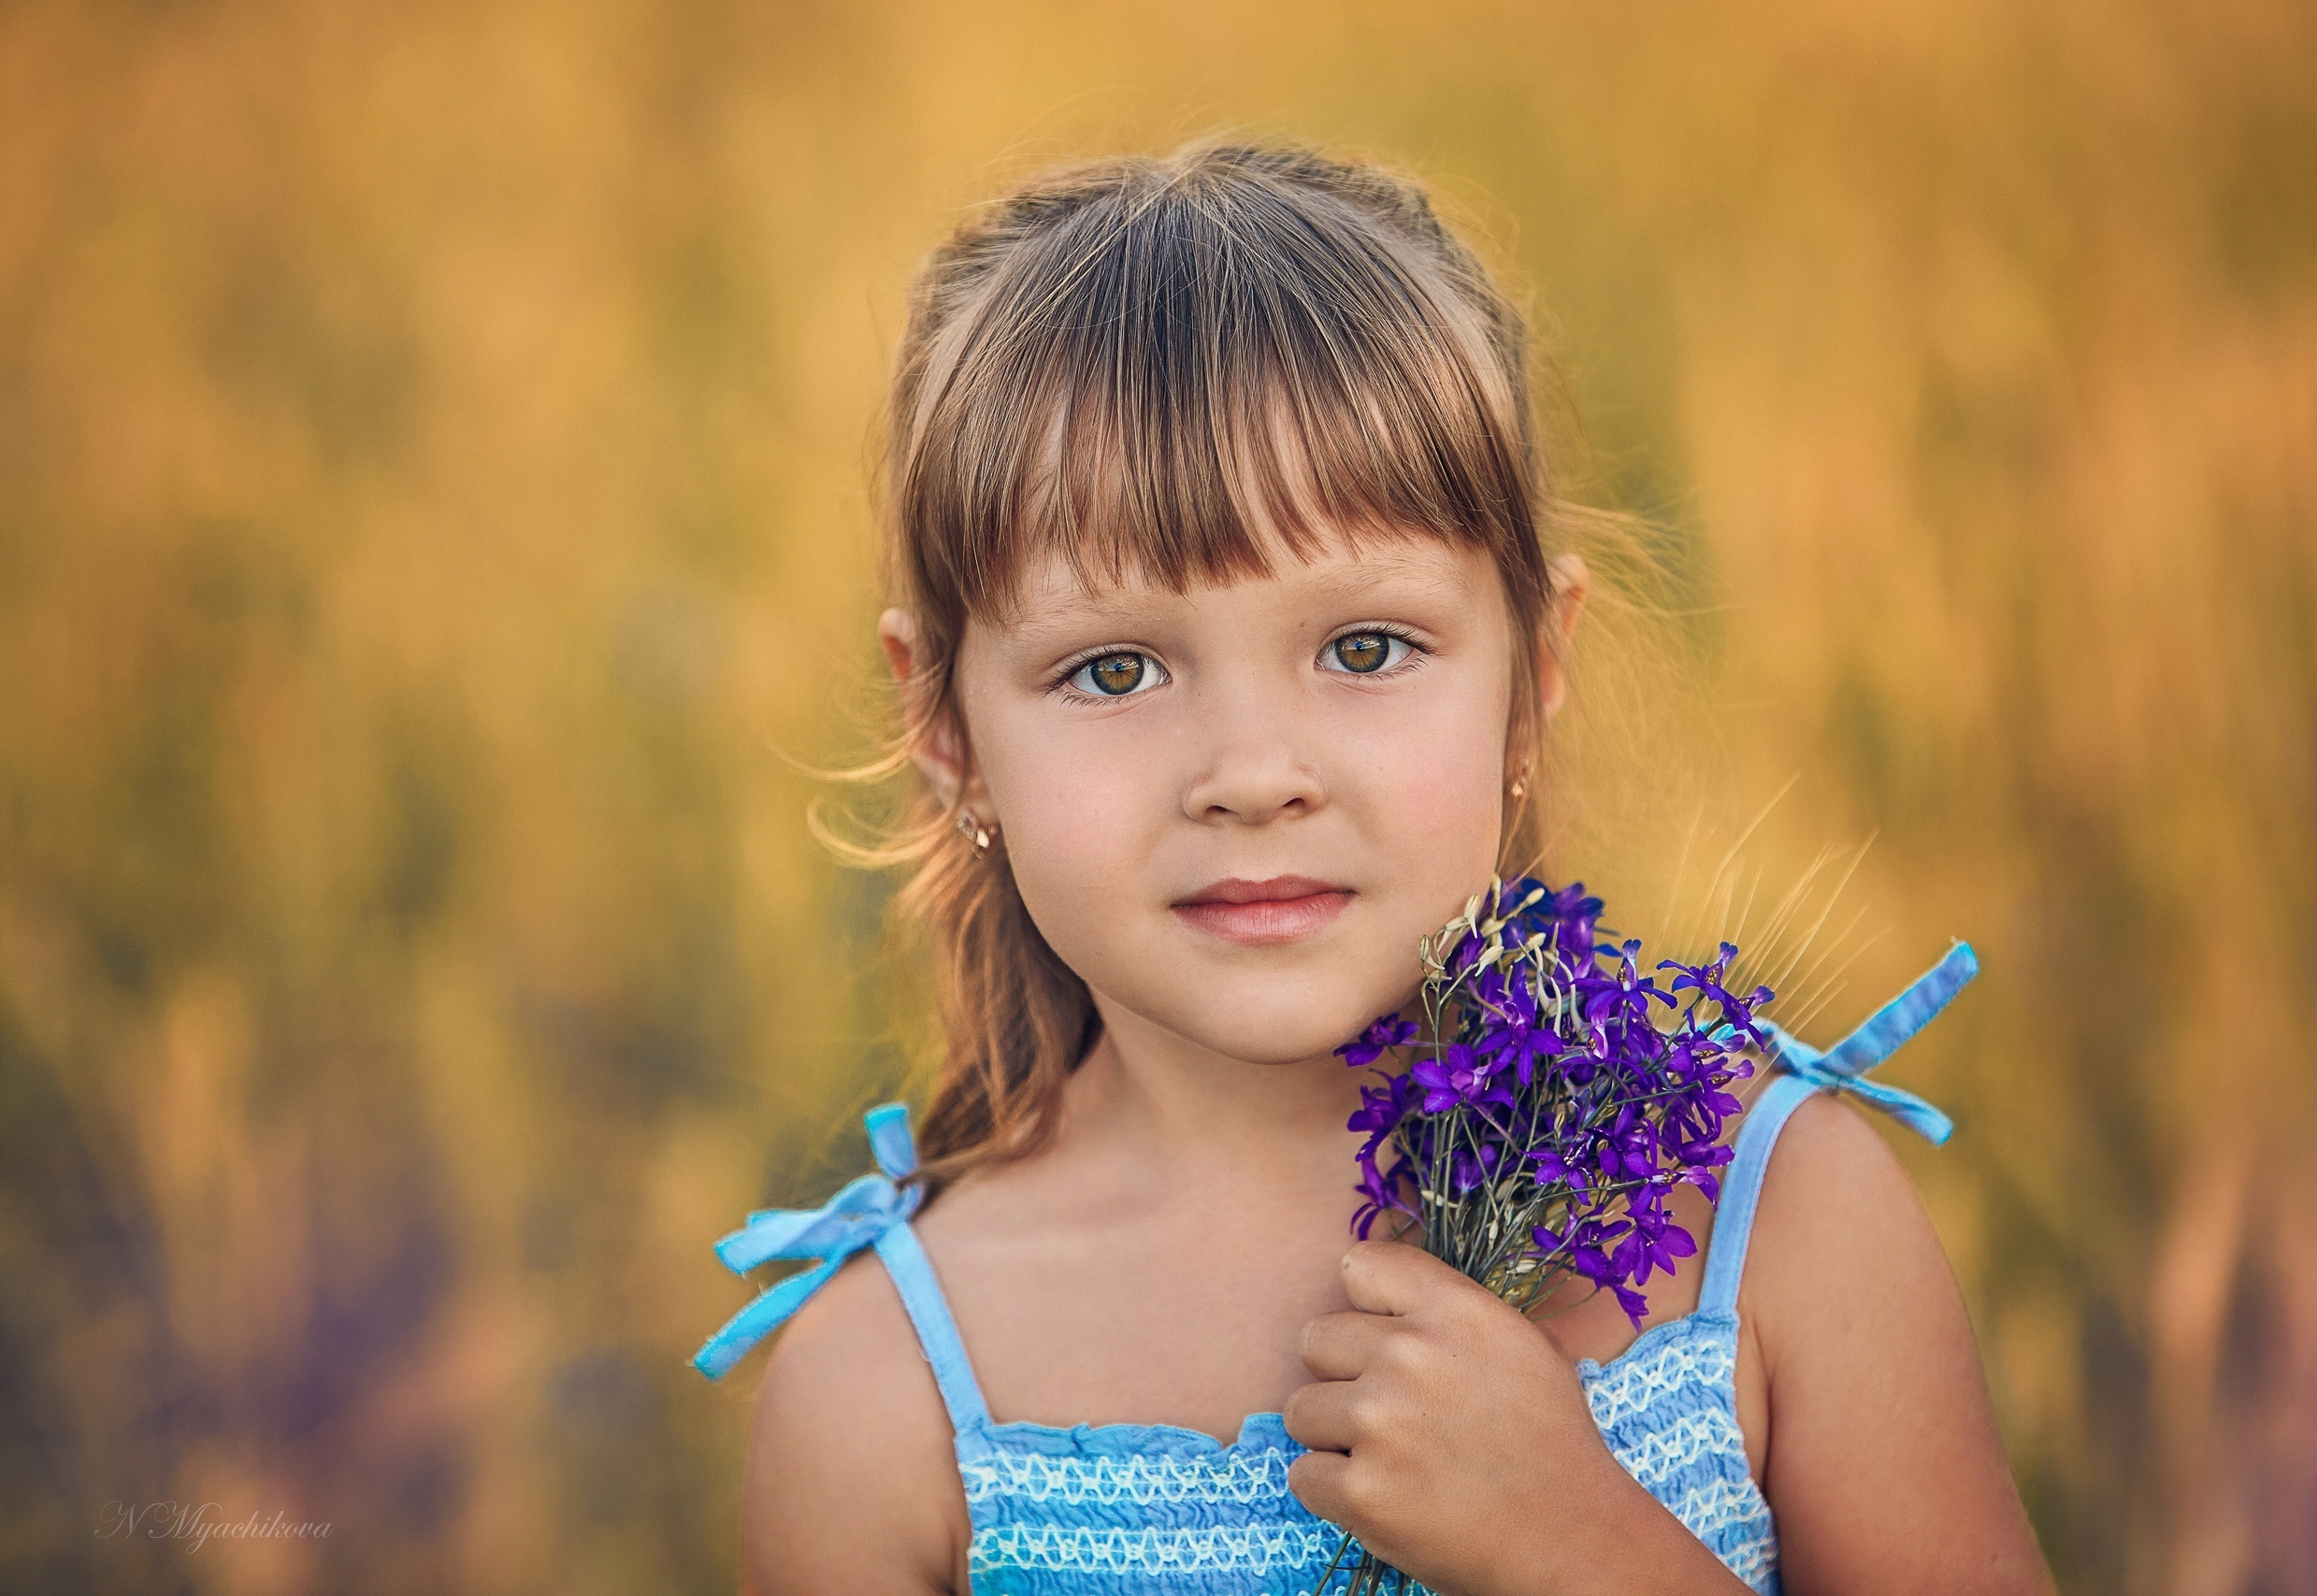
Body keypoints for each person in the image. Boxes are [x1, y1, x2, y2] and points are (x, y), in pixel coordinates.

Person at [696, 141, 2055, 1595]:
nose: (1253, 772)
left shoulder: (1775, 1212)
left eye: (1364, 649)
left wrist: (1581, 1550)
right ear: (946, 729)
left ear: (1533, 676)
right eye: (1112, 669)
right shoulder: (887, 1396)